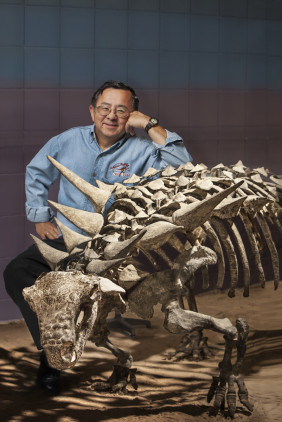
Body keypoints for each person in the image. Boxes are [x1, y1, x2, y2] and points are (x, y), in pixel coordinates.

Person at [3, 80, 192, 395]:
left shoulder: (143, 151)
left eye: (122, 110)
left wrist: (150, 124)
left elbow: (183, 165)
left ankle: (53, 362)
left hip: (107, 244)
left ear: (131, 114)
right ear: (92, 111)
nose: (112, 116)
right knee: (16, 273)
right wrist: (40, 217)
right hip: (64, 239)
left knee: (68, 289)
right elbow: (36, 171)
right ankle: (51, 348)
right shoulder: (68, 141)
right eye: (105, 108)